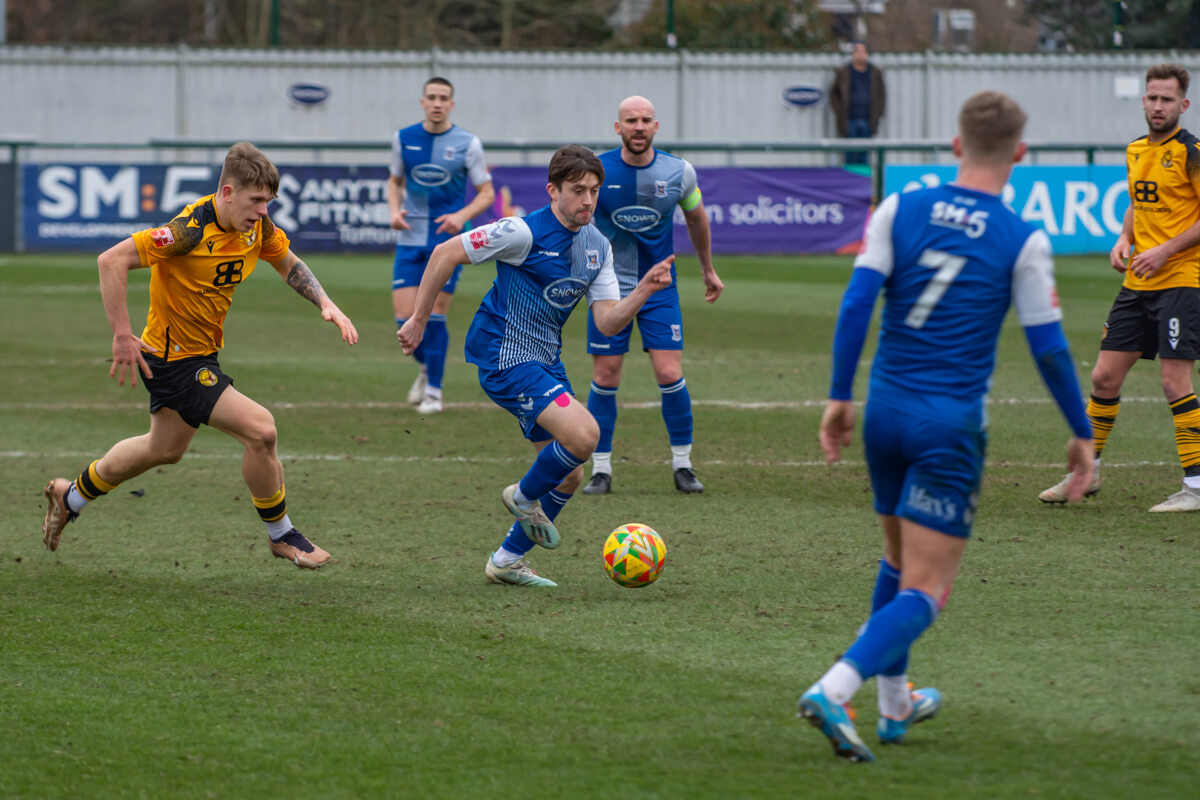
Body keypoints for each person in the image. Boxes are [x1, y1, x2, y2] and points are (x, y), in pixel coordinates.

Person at [801, 91, 1094, 762]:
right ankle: (834, 687)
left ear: (956, 146)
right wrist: (1081, 432)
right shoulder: (1022, 237)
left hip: (886, 412)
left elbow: (856, 302)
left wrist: (839, 396)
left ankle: (895, 705)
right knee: (929, 587)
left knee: (901, 561)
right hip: (948, 427)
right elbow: (1048, 348)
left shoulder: (900, 206)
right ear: (1021, 154)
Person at [40, 142, 359, 569]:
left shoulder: (255, 228)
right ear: (227, 193)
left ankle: (71, 495)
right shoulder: (188, 230)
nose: (264, 211)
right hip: (172, 361)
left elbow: (289, 263)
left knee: (163, 448)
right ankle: (283, 535)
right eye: (256, 200)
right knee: (261, 430)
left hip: (201, 355)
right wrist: (121, 334)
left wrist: (327, 304)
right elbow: (110, 261)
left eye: (268, 201)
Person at [398, 145, 673, 587]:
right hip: (503, 356)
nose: (588, 200)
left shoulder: (597, 246)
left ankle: (506, 560)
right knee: (585, 435)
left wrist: (641, 290)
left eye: (594, 191)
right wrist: (417, 318)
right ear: (552, 190)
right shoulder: (520, 232)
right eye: (578, 190)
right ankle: (523, 496)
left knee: (570, 474)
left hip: (544, 360)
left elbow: (606, 320)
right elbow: (444, 254)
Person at [1039, 63, 1200, 512]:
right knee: (1104, 376)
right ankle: (1085, 472)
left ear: (1183, 105)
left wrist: (1165, 250)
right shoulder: (1135, 150)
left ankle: (1197, 486)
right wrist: (1125, 237)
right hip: (1138, 281)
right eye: (1151, 97)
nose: (1157, 106)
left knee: (1174, 382)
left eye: (1167, 99)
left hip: (1182, 281)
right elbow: (1138, 200)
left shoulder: (1193, 152)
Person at [580, 95, 723, 497]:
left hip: (660, 287)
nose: (639, 127)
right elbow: (573, 216)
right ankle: (601, 469)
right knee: (606, 375)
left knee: (669, 373)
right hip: (608, 289)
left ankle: (683, 465)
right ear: (618, 127)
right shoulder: (597, 171)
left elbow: (696, 217)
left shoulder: (679, 172)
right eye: (631, 120)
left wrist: (707, 269)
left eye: (646, 120)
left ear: (655, 127)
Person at [388, 76, 495, 414]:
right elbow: (394, 181)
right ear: (423, 102)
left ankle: (434, 391)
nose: (437, 103)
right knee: (404, 318)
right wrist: (394, 210)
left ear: (451, 104)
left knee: (434, 315)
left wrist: (460, 216)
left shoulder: (468, 143)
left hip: (448, 243)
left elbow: (487, 194)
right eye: (431, 97)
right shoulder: (403, 139)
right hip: (410, 239)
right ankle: (425, 367)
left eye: (443, 98)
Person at [828, 42, 886, 166]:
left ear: (867, 54)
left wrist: (878, 113)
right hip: (849, 121)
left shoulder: (875, 73)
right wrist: (839, 112)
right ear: (853, 54)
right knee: (849, 155)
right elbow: (834, 95)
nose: (860, 54)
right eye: (857, 51)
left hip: (868, 121)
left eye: (862, 51)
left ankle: (863, 182)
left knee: (864, 155)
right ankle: (851, 183)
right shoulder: (844, 72)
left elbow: (881, 96)